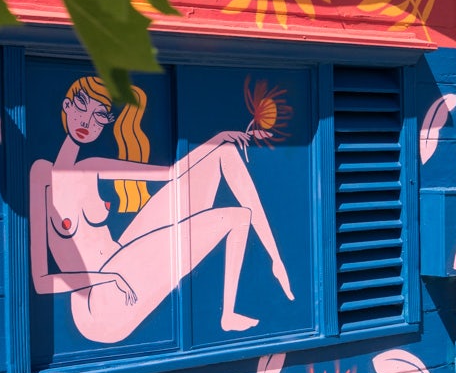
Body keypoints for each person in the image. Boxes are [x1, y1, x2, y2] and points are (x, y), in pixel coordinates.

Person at [30, 76, 293, 344]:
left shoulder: (91, 165)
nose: (87, 122)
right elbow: (41, 281)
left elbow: (171, 173)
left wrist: (217, 138)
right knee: (237, 217)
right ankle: (228, 314)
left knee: (221, 153)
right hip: (97, 307)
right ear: (67, 106)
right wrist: (106, 278)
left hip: (121, 262)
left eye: (99, 115)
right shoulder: (41, 174)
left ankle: (275, 262)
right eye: (82, 106)